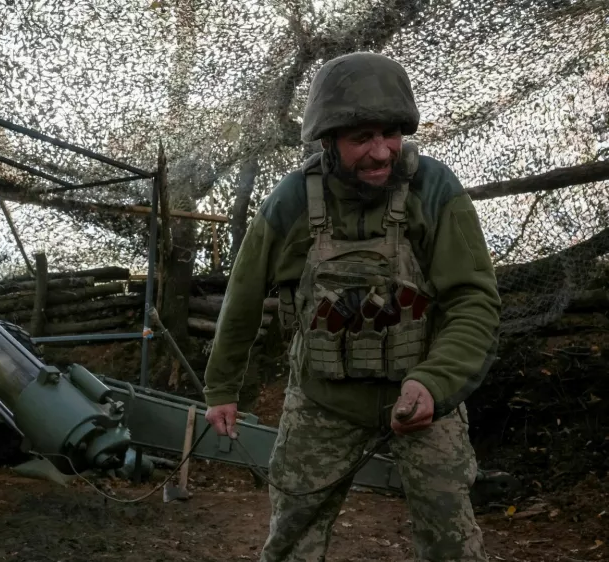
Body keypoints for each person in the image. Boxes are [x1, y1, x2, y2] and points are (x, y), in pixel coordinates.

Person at [202, 51, 501, 561]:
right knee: (292, 537)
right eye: (362, 137)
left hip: (422, 398)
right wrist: (222, 388)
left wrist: (434, 383)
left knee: (452, 542)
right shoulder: (292, 201)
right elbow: (244, 296)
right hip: (323, 401)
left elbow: (474, 300)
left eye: (391, 134)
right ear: (329, 141)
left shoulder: (434, 190)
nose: (382, 152)